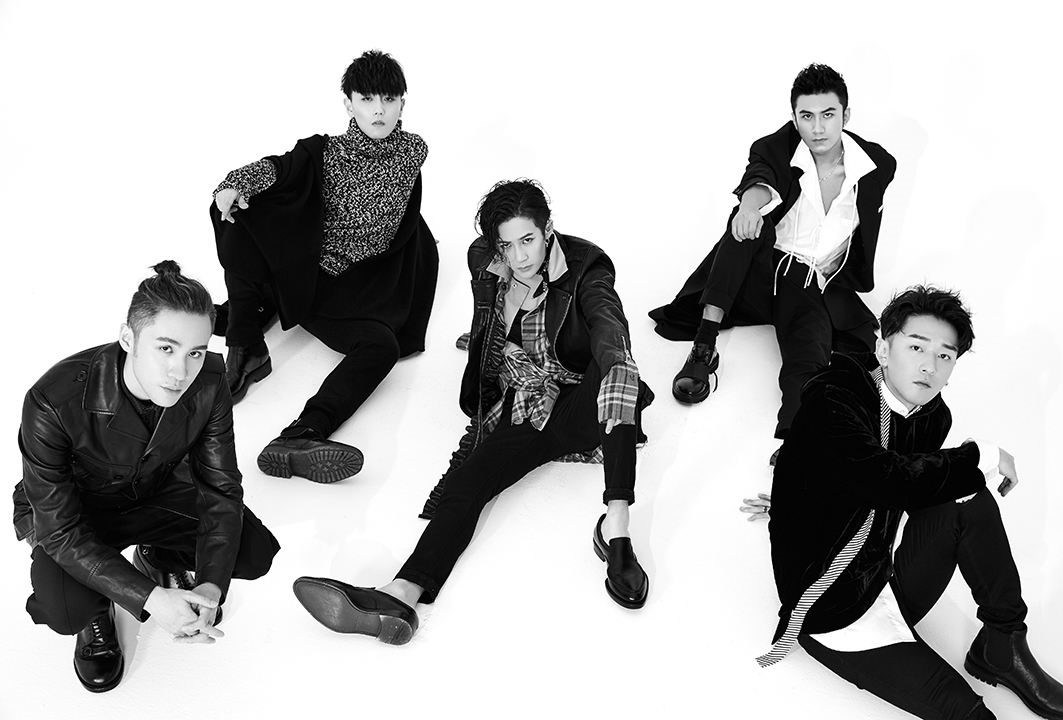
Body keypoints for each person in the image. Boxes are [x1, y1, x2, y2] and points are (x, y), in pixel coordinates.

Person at [291, 180, 652, 644]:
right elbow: (489, 313)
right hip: (526, 400)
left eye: (529, 240)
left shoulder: (588, 267)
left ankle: (617, 531)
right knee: (468, 484)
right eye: (508, 245)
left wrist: (616, 361)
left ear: (547, 230)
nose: (519, 256)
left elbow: (607, 325)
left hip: (582, 398)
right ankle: (401, 593)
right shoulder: (483, 259)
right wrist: (489, 342)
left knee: (617, 374)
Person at [744, 286, 1063, 719]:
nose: (929, 365)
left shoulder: (933, 416)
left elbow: (912, 481)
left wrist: (805, 491)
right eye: (916, 347)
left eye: (945, 355)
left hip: (884, 577)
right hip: (835, 610)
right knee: (970, 715)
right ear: (884, 349)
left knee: (967, 495)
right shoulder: (834, 396)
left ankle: (1003, 643)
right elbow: (883, 479)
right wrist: (982, 455)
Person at [14, 261, 279, 693]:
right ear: (128, 338)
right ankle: (100, 607)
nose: (181, 372)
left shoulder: (209, 381)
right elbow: (59, 530)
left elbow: (220, 489)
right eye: (166, 348)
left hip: (157, 492)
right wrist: (150, 599)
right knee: (65, 609)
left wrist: (210, 585)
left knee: (251, 551)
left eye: (195, 352)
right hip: (77, 517)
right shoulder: (53, 400)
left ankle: (160, 558)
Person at [210, 49, 436, 483]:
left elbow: (406, 215)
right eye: (367, 99)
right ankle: (246, 343)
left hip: (348, 294)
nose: (378, 110)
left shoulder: (413, 153)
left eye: (388, 99)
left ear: (402, 103)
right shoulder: (327, 153)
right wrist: (234, 184)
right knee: (237, 215)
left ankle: (302, 433)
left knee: (382, 347)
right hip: (302, 276)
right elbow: (279, 168)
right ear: (349, 103)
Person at [649, 63, 895, 462]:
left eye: (828, 115)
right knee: (745, 226)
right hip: (761, 274)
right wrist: (749, 206)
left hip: (813, 281)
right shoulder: (777, 147)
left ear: (846, 115)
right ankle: (704, 347)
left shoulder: (877, 166)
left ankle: (797, 441)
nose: (818, 128)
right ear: (794, 117)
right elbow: (761, 175)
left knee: (811, 351)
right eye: (807, 116)